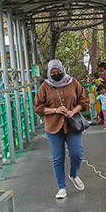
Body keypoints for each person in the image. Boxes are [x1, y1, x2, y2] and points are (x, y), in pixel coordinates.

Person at [34, 59, 90, 200]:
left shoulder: (73, 82)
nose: (56, 74)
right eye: (53, 72)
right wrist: (55, 110)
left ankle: (74, 174)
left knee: (77, 153)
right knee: (58, 157)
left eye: (58, 71)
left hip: (72, 125)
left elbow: (84, 101)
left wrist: (73, 111)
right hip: (53, 126)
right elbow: (38, 107)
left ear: (63, 70)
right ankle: (61, 187)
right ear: (49, 73)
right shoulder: (45, 87)